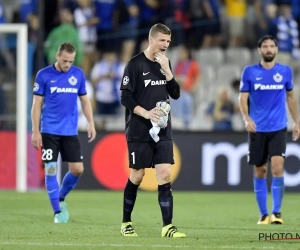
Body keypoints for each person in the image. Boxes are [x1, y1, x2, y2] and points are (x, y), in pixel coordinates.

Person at [119, 23, 186, 238]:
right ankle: (126, 222)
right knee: (137, 176)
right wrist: (146, 113)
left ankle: (168, 226)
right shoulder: (135, 64)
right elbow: (125, 97)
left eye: (168, 41)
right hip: (139, 129)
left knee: (164, 174)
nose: (166, 45)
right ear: (152, 39)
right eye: (162, 40)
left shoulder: (165, 64)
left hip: (163, 129)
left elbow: (175, 94)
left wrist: (168, 71)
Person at [31, 43, 96, 223]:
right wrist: (35, 131)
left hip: (70, 131)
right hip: (49, 131)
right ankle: (57, 212)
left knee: (77, 169)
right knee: (51, 171)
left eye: (71, 61)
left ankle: (60, 197)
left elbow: (85, 101)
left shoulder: (78, 74)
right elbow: (36, 105)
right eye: (65, 61)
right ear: (57, 56)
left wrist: (91, 123)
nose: (68, 65)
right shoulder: (43, 75)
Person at [238, 35, 299, 225]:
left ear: (277, 50)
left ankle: (277, 213)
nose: (269, 49)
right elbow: (242, 98)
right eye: (265, 46)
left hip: (278, 127)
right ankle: (263, 214)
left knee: (278, 167)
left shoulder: (285, 72)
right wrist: (246, 119)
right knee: (260, 170)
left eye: (272, 46)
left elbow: (290, 97)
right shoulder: (249, 72)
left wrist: (297, 122)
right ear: (260, 50)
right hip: (257, 128)